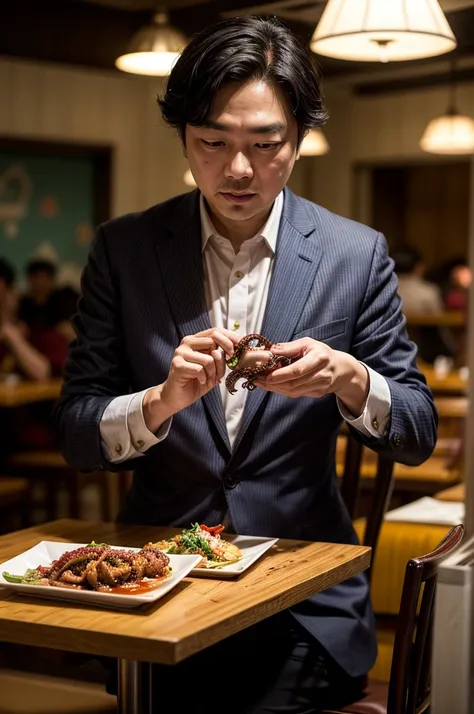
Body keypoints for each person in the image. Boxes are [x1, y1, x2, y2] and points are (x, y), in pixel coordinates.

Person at [54, 17, 437, 713]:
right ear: (183, 138)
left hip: (301, 605)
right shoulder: (127, 249)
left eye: (266, 145)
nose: (238, 169)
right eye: (213, 143)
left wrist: (348, 378)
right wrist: (156, 404)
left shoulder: (354, 255)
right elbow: (78, 432)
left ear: (299, 140)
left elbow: (417, 431)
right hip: (152, 589)